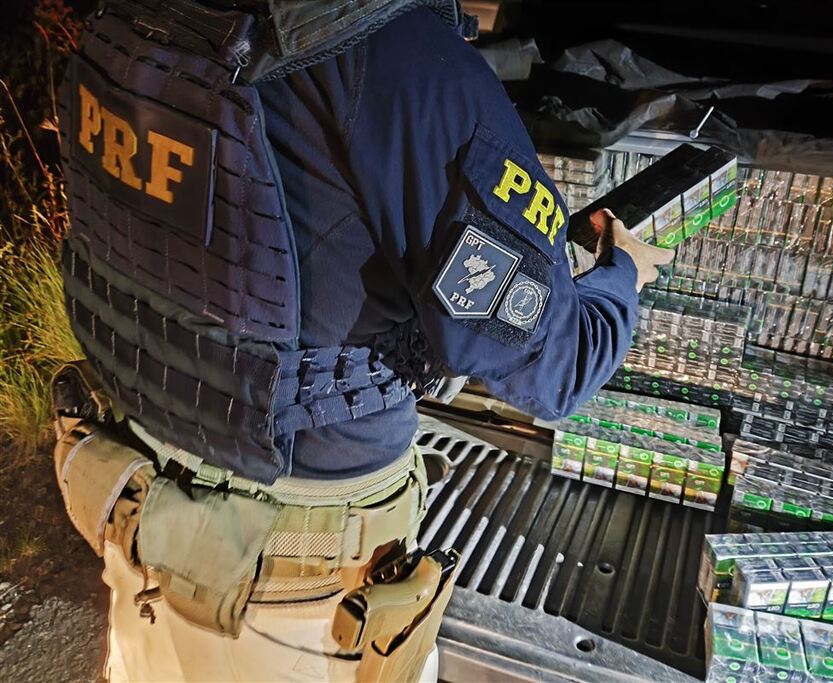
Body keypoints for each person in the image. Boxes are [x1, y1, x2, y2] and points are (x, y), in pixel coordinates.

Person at [52, 1, 672, 681]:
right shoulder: (408, 65)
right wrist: (621, 273)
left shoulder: (132, 14)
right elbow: (554, 368)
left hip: (135, 519)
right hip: (291, 597)